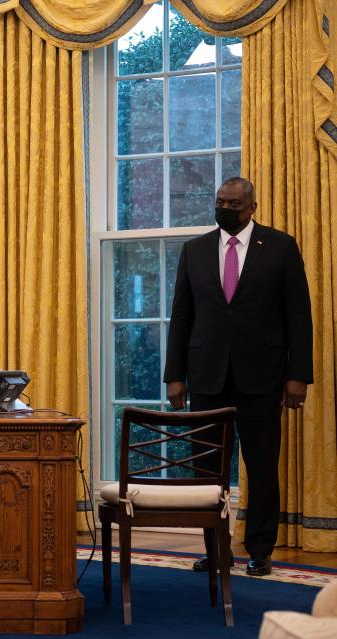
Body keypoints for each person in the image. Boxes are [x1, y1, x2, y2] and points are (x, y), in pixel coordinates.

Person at [164, 177, 313, 577]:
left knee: (262, 466)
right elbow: (182, 316)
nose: (225, 208)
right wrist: (174, 374)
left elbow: (298, 317)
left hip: (263, 378)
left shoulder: (280, 247)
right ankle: (216, 551)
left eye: (233, 203)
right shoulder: (194, 250)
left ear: (253, 206)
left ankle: (260, 551)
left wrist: (298, 376)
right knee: (207, 471)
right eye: (220, 202)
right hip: (206, 376)